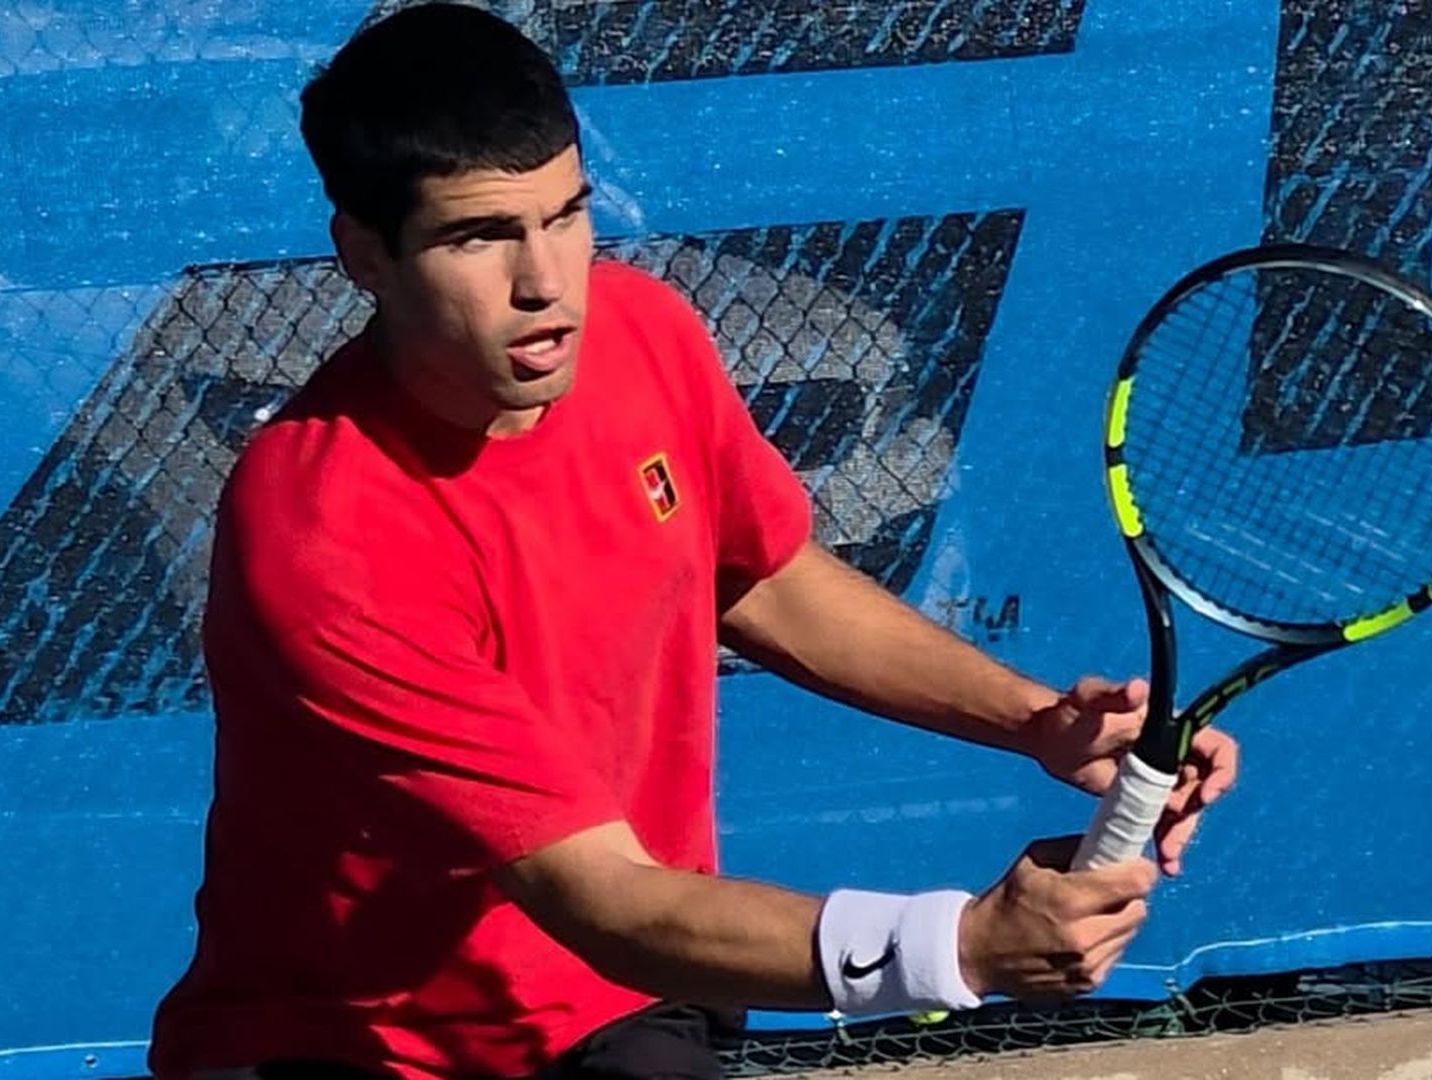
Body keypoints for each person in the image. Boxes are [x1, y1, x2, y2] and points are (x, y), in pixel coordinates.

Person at [148, 5, 1239, 1079]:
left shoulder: (646, 336)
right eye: (479, 236)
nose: (545, 283)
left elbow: (764, 581)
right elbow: (598, 897)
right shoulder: (327, 533)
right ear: (365, 255)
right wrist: (956, 948)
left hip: (624, 1003)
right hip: (357, 1044)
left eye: (565, 216)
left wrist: (1036, 722)